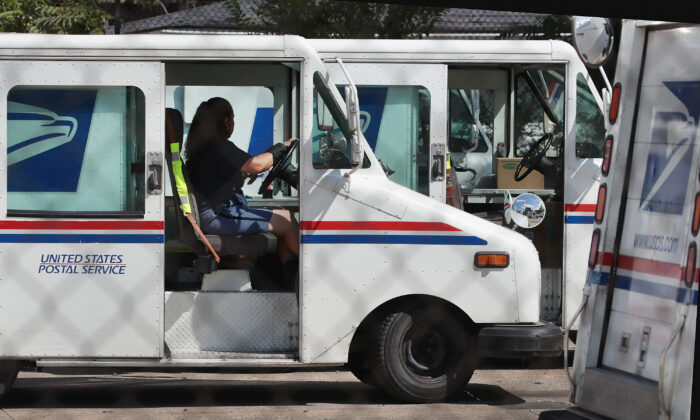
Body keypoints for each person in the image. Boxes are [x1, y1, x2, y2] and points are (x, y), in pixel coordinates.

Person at [184, 97, 299, 270]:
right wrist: (282, 147)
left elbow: (239, 170)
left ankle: (290, 273)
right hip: (218, 216)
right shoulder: (219, 146)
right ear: (227, 121)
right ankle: (312, 272)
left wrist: (246, 172)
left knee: (282, 213)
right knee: (288, 221)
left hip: (215, 213)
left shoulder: (205, 148)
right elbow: (257, 165)